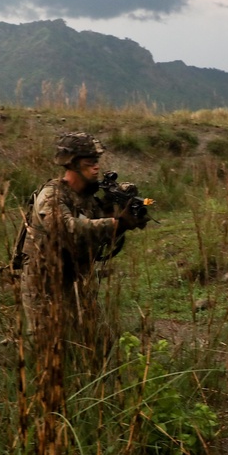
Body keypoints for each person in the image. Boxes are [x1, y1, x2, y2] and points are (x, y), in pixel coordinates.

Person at [18, 132, 145, 353]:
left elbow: (100, 233)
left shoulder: (88, 197)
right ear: (73, 164)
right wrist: (117, 224)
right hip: (44, 279)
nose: (96, 168)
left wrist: (121, 210)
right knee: (44, 345)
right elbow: (68, 229)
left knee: (94, 339)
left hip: (76, 276)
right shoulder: (51, 195)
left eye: (97, 162)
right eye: (89, 163)